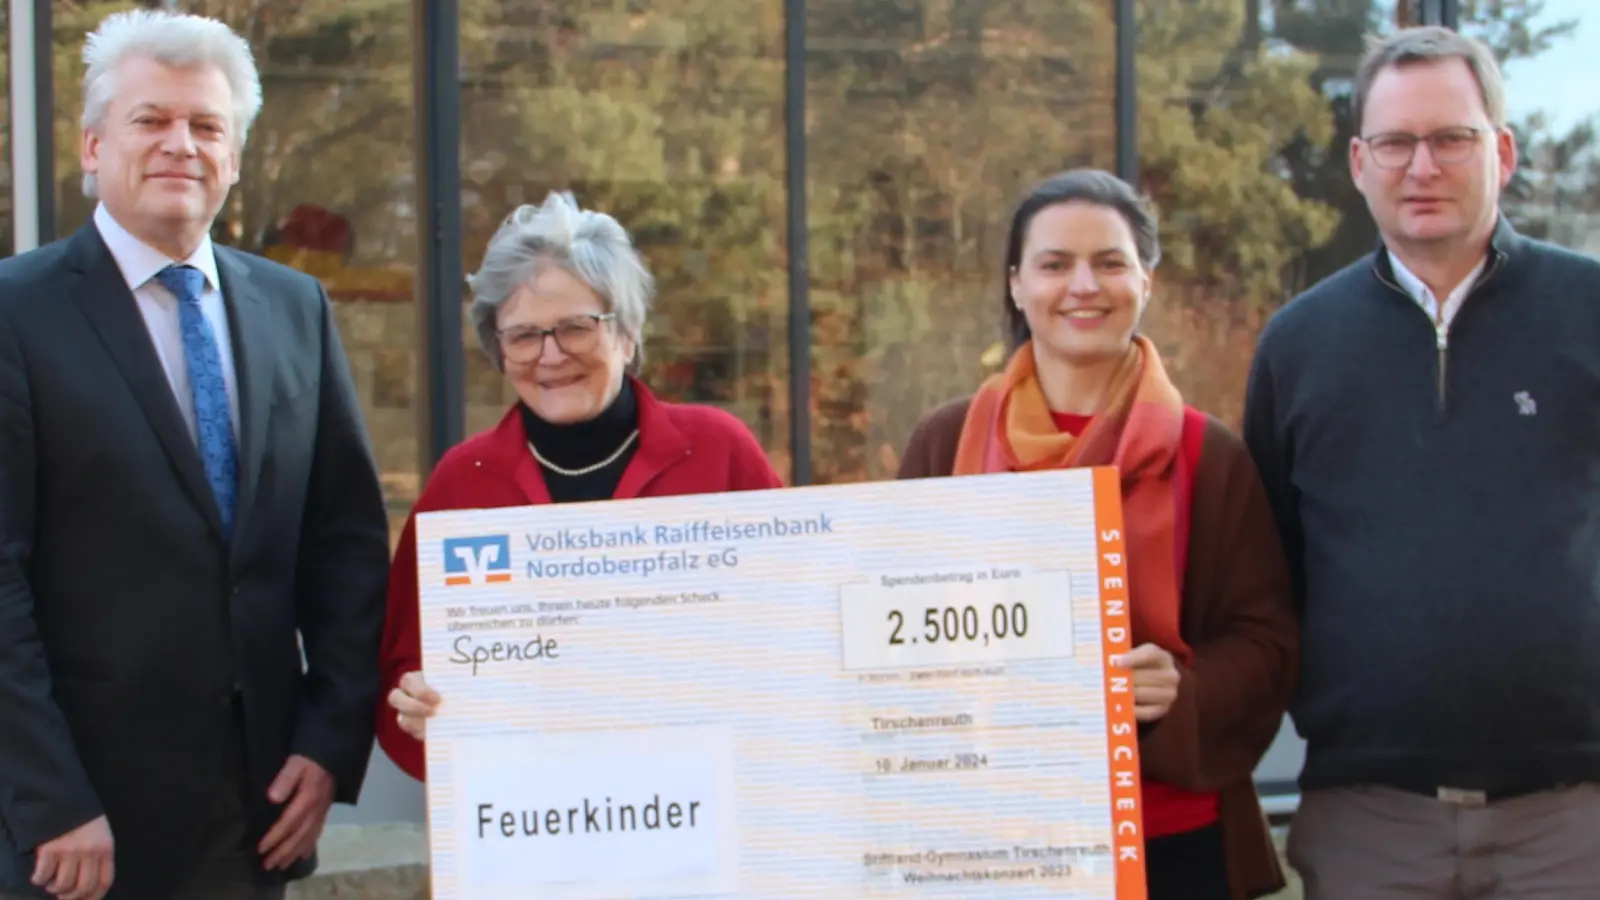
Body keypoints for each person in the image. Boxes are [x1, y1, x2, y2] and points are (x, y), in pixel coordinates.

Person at [0, 10, 392, 900]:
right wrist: (47, 796)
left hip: (257, 817)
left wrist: (329, 743)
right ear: (94, 146)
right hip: (78, 828)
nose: (181, 144)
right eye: (151, 120)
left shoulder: (298, 309)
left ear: (235, 157)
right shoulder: (14, 316)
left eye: (206, 126)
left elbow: (345, 544)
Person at [1242, 25, 1600, 900]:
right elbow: (1267, 574)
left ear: (1503, 151)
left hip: (1576, 817)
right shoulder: (1299, 345)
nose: (1422, 166)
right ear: (1360, 161)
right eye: (1396, 143)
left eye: (1452, 139)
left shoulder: (1590, 311)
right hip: (1371, 820)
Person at [896, 169, 1299, 900]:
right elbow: (888, 630)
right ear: (1017, 285)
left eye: (1109, 263)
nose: (1083, 285)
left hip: (1168, 837)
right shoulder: (943, 444)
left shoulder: (1210, 457)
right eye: (1054, 264)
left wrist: (1181, 686)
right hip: (991, 839)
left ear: (1145, 280)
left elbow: (1267, 642)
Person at [377, 191, 784, 779]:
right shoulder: (462, 485)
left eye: (575, 328)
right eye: (523, 335)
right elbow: (401, 678)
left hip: (709, 815)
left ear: (626, 333)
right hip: (533, 828)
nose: (550, 356)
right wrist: (418, 709)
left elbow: (798, 623)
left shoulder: (719, 454)